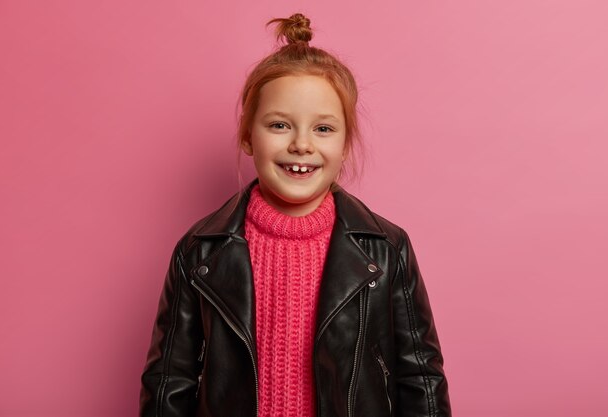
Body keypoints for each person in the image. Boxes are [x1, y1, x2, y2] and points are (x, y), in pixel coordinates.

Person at [139, 12, 451, 417]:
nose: (301, 144)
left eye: (323, 129)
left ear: (345, 144)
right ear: (248, 136)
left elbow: (422, 378)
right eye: (280, 125)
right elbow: (168, 382)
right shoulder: (199, 252)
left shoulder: (387, 248)